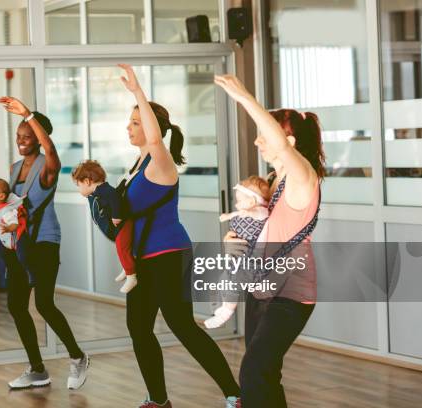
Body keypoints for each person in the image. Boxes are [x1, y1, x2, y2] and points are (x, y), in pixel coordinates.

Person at [116, 64, 240, 408]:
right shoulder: (137, 167)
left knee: (182, 326)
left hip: (169, 254)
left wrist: (138, 92)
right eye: (130, 121)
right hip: (143, 259)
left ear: (153, 128)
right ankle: (158, 399)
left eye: (136, 121)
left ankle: (235, 393)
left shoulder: (162, 162)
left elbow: (155, 139)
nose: (129, 126)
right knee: (138, 329)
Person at [216, 74, 324, 408]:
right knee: (264, 371)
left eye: (264, 135)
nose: (257, 142)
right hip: (261, 286)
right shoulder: (275, 180)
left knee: (254, 369)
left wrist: (245, 97)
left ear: (287, 141)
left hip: (290, 294)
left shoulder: (303, 177)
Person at [0, 96, 89, 391]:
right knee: (16, 305)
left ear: (38, 139)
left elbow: (51, 151)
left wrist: (27, 114)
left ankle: (78, 357)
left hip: (44, 241)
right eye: (19, 136)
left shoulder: (47, 166)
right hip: (17, 243)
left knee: (45, 304)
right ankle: (37, 369)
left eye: (28, 137)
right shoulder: (13, 169)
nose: (21, 141)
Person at [205, 175, 270, 329]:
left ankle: (226, 312)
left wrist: (249, 208)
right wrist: (229, 216)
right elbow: (240, 215)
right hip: (236, 256)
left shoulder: (260, 212)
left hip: (248, 259)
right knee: (222, 280)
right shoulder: (246, 210)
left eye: (240, 200)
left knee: (232, 285)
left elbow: (259, 214)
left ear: (252, 201)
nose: (236, 203)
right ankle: (219, 308)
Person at [71, 159, 137, 293]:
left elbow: (114, 197)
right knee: (122, 249)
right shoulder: (96, 192)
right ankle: (127, 268)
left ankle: (132, 276)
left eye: (78, 185)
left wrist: (116, 215)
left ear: (87, 181)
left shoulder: (104, 190)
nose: (79, 189)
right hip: (119, 227)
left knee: (122, 248)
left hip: (124, 225)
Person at [0, 179, 32, 283]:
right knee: (1, 252)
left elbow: (15, 224)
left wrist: (8, 228)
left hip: (17, 236)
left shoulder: (6, 210)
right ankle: (10, 270)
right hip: (5, 240)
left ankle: (31, 273)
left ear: (1, 196)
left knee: (23, 255)